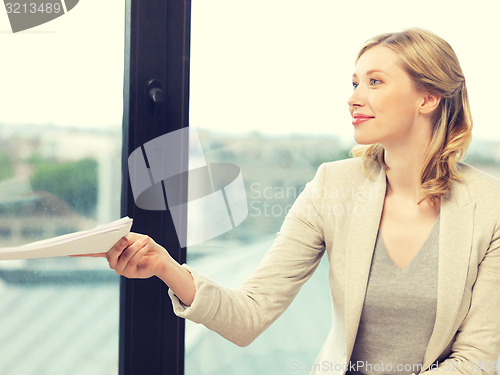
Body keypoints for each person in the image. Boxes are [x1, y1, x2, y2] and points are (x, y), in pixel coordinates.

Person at [85, 28, 500, 374]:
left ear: (428, 98)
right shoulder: (331, 186)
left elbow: (476, 358)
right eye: (354, 83)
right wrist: (165, 268)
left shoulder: (490, 205)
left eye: (375, 82)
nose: (354, 97)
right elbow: (248, 315)